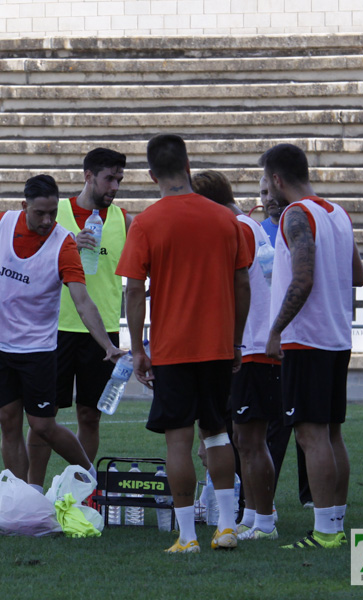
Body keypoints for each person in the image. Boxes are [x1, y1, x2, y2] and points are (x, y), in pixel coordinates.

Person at [117, 135, 249, 554]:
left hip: (172, 347)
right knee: (216, 434)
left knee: (178, 440)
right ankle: (226, 526)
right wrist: (236, 340)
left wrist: (138, 347)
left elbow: (134, 290)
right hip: (216, 345)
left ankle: (188, 535)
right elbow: (242, 282)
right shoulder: (226, 219)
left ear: (152, 174)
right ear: (189, 165)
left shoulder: (146, 222)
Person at [0, 174, 123, 485]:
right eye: (40, 212)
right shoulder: (1, 224)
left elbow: (83, 301)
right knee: (8, 422)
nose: (47, 219)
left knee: (42, 426)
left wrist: (107, 345)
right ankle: (21, 497)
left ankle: (92, 477)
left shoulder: (64, 243)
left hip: (38, 350)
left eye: (52, 212)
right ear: (23, 206)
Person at [261, 143, 363, 550]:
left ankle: (325, 532)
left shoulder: (297, 214)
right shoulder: (337, 213)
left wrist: (275, 330)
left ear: (277, 180)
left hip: (308, 339)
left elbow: (301, 280)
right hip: (337, 336)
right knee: (331, 433)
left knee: (310, 436)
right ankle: (334, 523)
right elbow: (356, 274)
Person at [27, 148, 131, 488]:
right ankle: (33, 488)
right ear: (88, 176)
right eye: (109, 179)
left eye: (119, 179)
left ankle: (83, 489)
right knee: (44, 417)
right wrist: (66, 243)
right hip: (55, 330)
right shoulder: (53, 214)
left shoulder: (123, 219)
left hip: (103, 334)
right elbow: (26, 259)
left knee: (90, 415)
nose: (114, 186)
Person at [192, 170, 279, 541]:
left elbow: (233, 287)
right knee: (244, 439)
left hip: (253, 346)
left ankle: (265, 520)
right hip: (254, 342)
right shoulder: (247, 225)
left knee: (251, 439)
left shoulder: (236, 228)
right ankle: (251, 515)